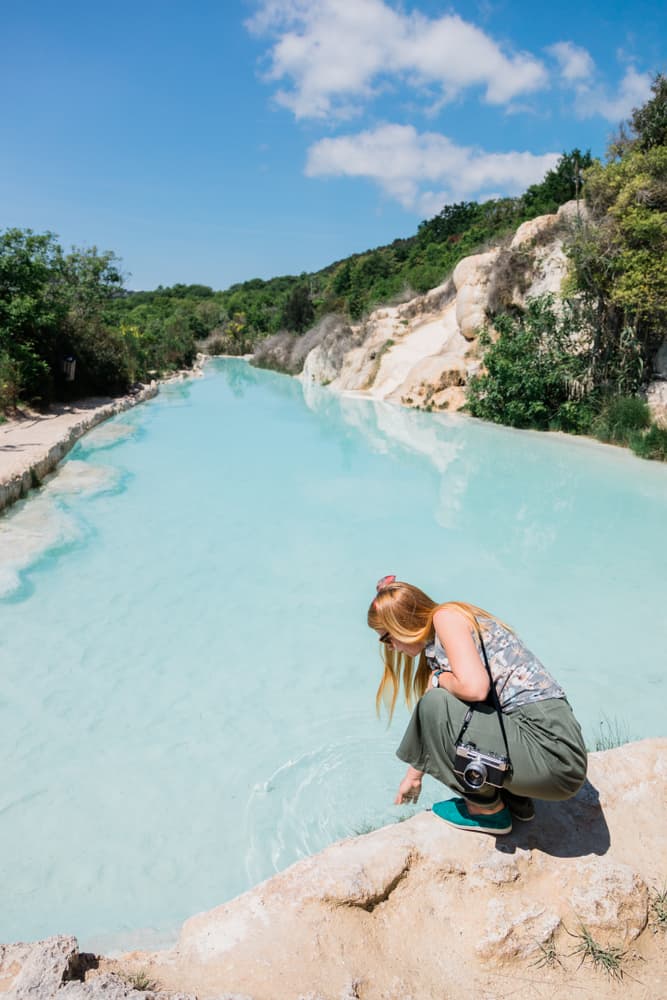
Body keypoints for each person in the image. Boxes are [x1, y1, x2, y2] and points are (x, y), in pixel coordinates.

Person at [368, 576, 587, 834]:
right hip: (548, 750)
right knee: (439, 702)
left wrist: (440, 679)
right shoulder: (439, 643)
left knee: (435, 702)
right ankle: (515, 801)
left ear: (402, 622)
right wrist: (413, 776)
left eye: (386, 638)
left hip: (553, 752)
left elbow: (474, 688)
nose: (391, 648)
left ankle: (487, 810)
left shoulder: (445, 617)